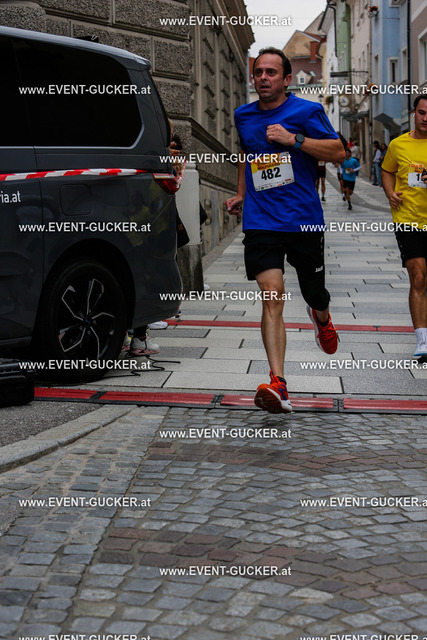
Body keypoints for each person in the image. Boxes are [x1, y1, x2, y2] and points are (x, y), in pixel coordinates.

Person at [224, 47, 344, 414]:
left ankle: (322, 317)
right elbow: (247, 155)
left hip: (302, 219)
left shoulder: (307, 111)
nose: (263, 77)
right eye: (258, 72)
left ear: (287, 79)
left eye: (271, 72)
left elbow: (338, 152)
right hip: (261, 220)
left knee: (314, 292)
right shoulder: (243, 115)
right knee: (271, 295)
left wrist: (295, 140)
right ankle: (278, 382)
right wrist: (241, 193)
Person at [381, 95, 427, 359]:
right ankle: (422, 340)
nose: (425, 118)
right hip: (408, 219)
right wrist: (390, 192)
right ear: (414, 113)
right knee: (418, 276)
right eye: (421, 112)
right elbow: (387, 170)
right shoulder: (398, 144)